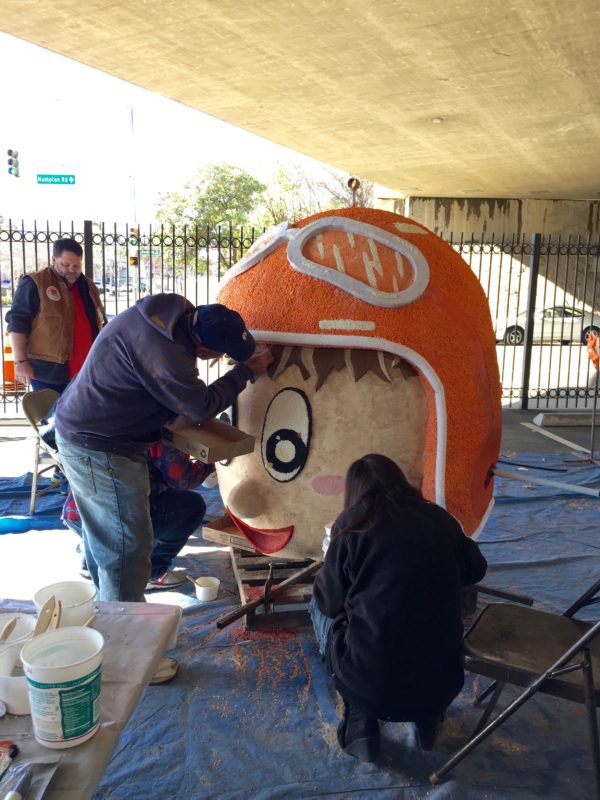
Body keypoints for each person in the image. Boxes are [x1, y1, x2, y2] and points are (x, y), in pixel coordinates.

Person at [53, 293, 273, 603]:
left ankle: (108, 608)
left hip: (86, 427)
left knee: (104, 535)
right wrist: (245, 371)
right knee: (126, 545)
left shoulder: (173, 310)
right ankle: (123, 629)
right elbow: (200, 407)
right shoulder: (166, 354)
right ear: (203, 349)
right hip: (99, 445)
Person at [309, 453, 487, 763]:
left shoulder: (352, 524)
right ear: (400, 482)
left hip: (369, 685)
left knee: (318, 603)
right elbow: (476, 569)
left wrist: (335, 566)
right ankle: (428, 719)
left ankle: (360, 719)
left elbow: (329, 601)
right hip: (441, 686)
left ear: (355, 491)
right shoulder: (440, 519)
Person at [63, 442, 212, 590]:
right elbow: (182, 478)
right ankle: (152, 572)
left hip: (77, 513)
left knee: (103, 506)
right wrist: (211, 463)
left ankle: (91, 558)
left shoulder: (95, 421)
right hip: (116, 520)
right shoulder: (159, 426)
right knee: (193, 506)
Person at [7, 238, 106, 393]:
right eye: (65, 265)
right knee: (51, 417)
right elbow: (18, 323)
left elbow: (101, 324)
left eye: (76, 265)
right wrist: (20, 361)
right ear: (54, 259)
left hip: (85, 373)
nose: (72, 270)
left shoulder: (88, 286)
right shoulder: (35, 283)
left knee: (81, 417)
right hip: (47, 374)